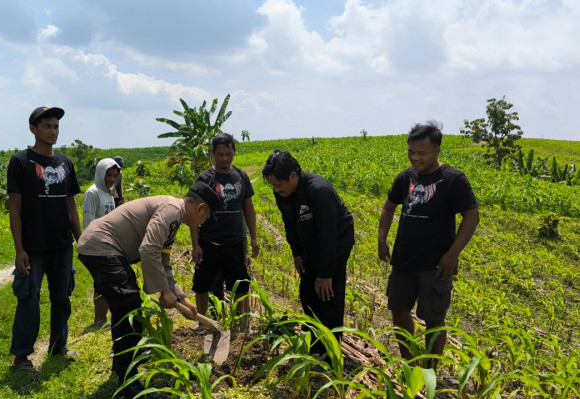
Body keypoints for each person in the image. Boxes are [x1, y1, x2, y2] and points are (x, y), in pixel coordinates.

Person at [77, 181, 221, 399]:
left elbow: (162, 260)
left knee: (126, 306)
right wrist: (164, 292)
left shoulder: (173, 216)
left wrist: (181, 297)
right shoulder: (172, 210)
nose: (203, 223)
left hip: (105, 247)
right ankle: (129, 384)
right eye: (206, 218)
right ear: (200, 208)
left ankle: (122, 365)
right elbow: (148, 249)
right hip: (101, 246)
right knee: (129, 304)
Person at [378, 121, 479, 367]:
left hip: (435, 265)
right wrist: (382, 239)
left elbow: (472, 216)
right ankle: (410, 364)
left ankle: (430, 368)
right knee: (399, 312)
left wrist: (452, 254)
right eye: (411, 152)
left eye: (421, 153)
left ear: (437, 151)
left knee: (434, 319)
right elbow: (389, 207)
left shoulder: (453, 179)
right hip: (403, 261)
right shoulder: (405, 178)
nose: (415, 158)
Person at [7, 106, 82, 372]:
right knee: (29, 298)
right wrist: (19, 248)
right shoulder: (20, 162)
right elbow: (14, 207)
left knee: (62, 297)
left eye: (56, 127)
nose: (53, 131)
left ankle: (58, 346)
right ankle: (22, 356)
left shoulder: (65, 163)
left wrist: (80, 240)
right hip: (33, 246)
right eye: (47, 126)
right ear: (33, 129)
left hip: (61, 245)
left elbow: (71, 205)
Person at [262, 150, 355, 359]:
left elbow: (328, 233)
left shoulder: (318, 191)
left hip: (336, 242)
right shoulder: (283, 193)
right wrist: (297, 252)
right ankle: (314, 344)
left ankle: (330, 353)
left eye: (278, 184)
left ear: (293, 176)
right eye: (273, 185)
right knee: (308, 293)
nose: (275, 190)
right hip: (310, 240)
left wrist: (325, 273)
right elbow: (290, 224)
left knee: (328, 295)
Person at [191, 133, 259, 331]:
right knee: (202, 284)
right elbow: (194, 213)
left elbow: (248, 208)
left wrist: (254, 238)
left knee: (241, 285)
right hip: (209, 242)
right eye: (220, 154)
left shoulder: (241, 177)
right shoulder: (204, 178)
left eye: (228, 154)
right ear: (213, 154)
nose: (224, 159)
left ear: (234, 152)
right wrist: (195, 244)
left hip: (234, 242)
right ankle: (202, 323)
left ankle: (242, 324)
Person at [81, 158, 121, 328]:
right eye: (108, 175)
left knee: (108, 282)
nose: (111, 179)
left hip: (109, 244)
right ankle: (99, 321)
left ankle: (104, 319)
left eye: (114, 175)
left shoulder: (109, 192)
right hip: (97, 245)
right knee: (101, 283)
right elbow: (89, 221)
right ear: (100, 174)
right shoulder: (93, 193)